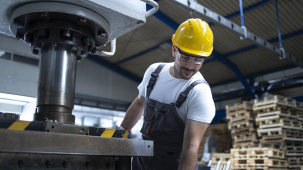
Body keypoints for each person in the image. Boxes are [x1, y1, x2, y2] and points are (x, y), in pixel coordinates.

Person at [120, 18, 216, 170]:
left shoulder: (199, 93)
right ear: (174, 50)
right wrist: (119, 134)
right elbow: (140, 102)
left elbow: (190, 148)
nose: (190, 66)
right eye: (185, 57)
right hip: (142, 161)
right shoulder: (154, 73)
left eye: (198, 60)